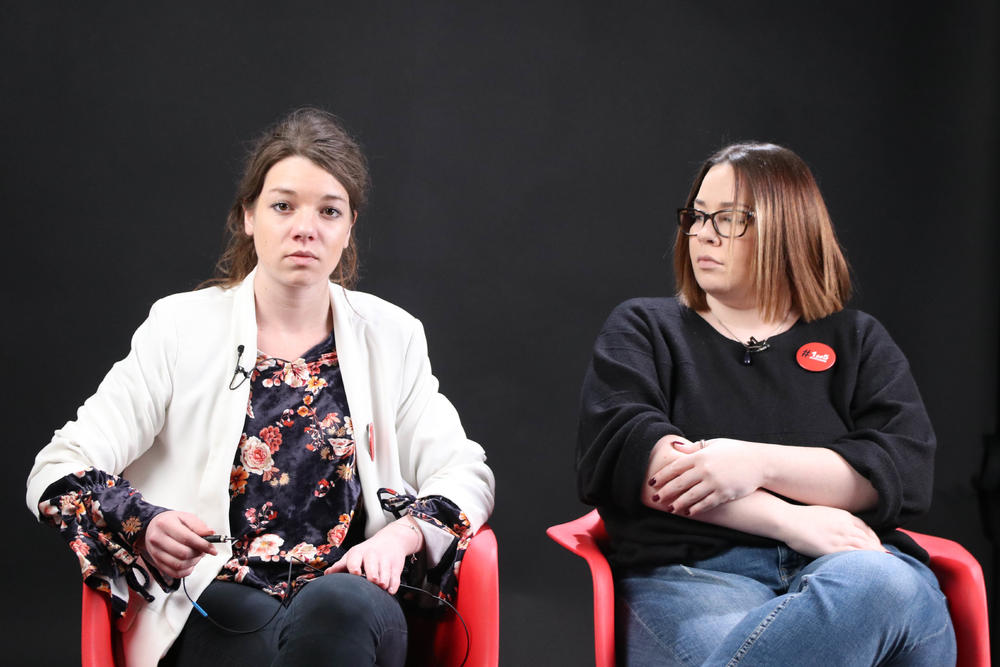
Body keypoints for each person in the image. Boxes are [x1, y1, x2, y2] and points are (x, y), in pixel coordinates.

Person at [27, 108, 495, 667]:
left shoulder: (392, 336)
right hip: (219, 598)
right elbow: (58, 466)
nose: (305, 228)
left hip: (351, 597)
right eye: (283, 206)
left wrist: (402, 536)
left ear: (349, 228)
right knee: (250, 631)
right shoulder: (179, 328)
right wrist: (143, 523)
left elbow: (466, 472)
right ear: (248, 216)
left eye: (329, 211)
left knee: (339, 609)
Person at [577, 142, 955, 665]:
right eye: (697, 215)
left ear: (788, 229)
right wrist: (789, 520)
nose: (703, 234)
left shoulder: (859, 340)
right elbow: (641, 461)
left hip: (852, 571)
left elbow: (900, 470)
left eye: (730, 219)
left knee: (880, 583)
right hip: (695, 575)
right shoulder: (644, 328)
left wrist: (753, 463)